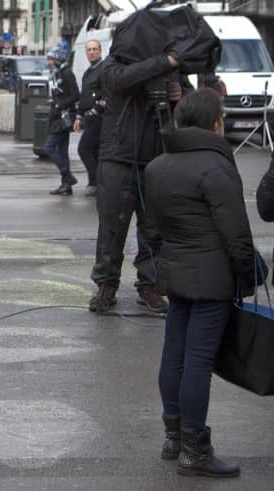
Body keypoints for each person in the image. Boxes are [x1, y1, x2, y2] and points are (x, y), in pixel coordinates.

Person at [145, 89, 263, 477]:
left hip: (175, 273)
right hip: (212, 278)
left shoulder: (158, 165)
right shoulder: (216, 166)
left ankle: (174, 436)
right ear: (214, 123)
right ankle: (196, 449)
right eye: (223, 116)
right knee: (198, 359)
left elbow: (152, 230)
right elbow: (237, 233)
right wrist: (248, 275)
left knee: (174, 354)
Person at [88, 47, 181, 313]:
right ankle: (106, 285)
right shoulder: (113, 66)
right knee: (112, 227)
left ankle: (149, 285)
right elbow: (122, 79)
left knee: (153, 228)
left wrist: (179, 96)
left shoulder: (168, 68)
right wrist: (163, 61)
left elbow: (185, 111)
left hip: (155, 156)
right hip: (118, 157)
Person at [44, 45, 80, 196]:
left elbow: (75, 95)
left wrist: (60, 104)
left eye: (51, 59)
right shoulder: (58, 72)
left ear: (58, 59)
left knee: (49, 148)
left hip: (64, 116)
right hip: (59, 116)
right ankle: (66, 185)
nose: (49, 62)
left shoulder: (66, 73)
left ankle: (68, 175)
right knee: (63, 151)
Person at [73, 40, 105, 197]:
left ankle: (95, 182)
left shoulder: (104, 70)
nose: (91, 52)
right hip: (88, 117)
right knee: (94, 152)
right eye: (89, 50)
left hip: (99, 118)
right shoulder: (87, 73)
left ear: (100, 50)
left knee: (84, 149)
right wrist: (79, 116)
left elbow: (107, 95)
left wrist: (94, 111)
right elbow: (83, 96)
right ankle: (99, 183)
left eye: (94, 49)